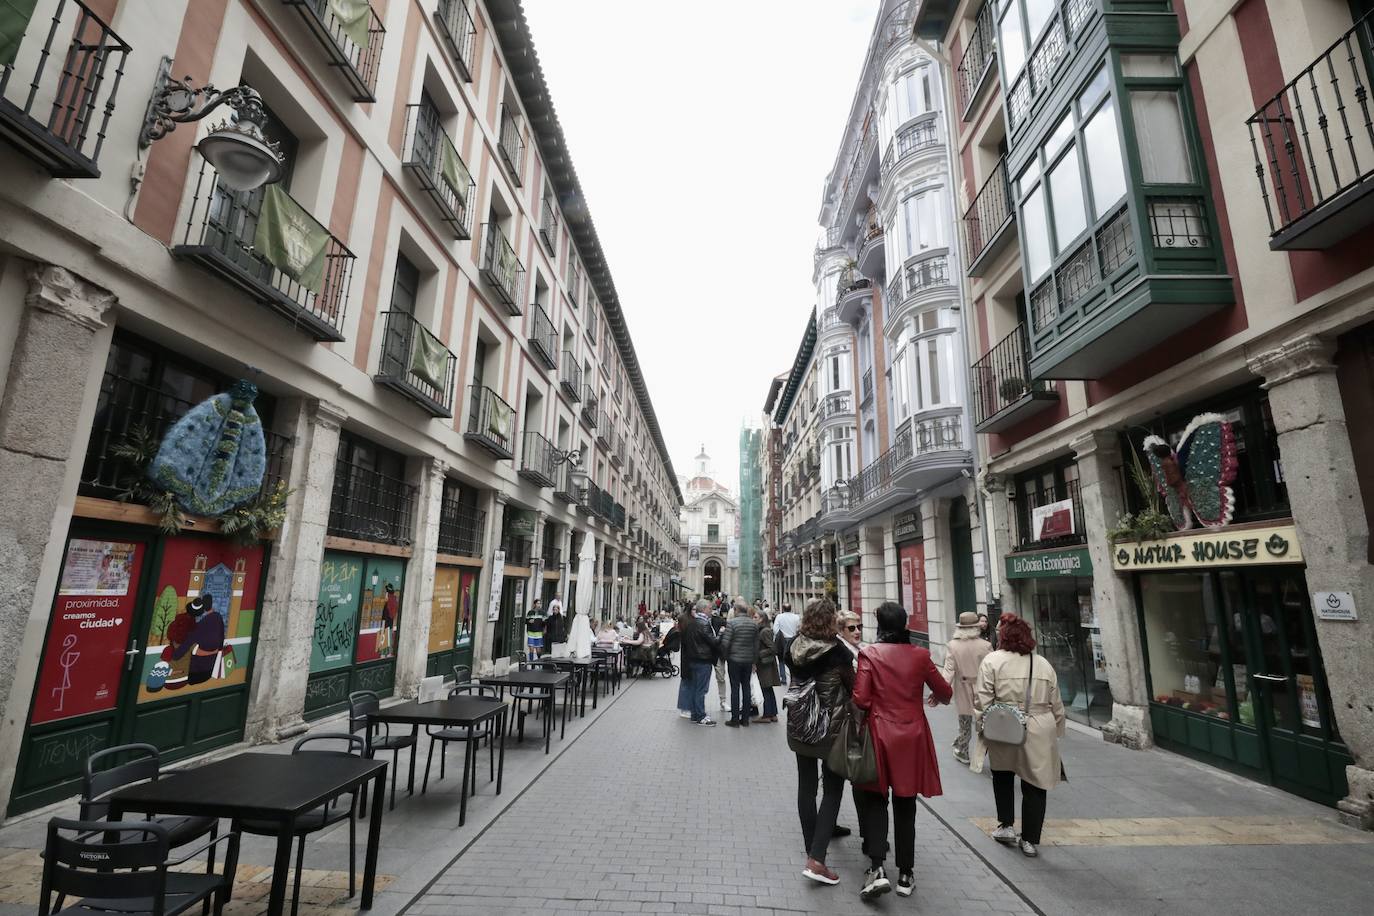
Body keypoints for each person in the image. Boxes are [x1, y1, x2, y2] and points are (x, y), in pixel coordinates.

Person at [852, 602, 953, 900]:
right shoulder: (920, 655)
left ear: (879, 625)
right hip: (912, 735)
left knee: (875, 799)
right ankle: (906, 874)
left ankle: (877, 866)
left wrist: (878, 708)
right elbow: (945, 692)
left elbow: (860, 697)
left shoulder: (869, 654)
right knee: (906, 804)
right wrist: (931, 696)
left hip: (880, 733)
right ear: (905, 624)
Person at [973, 613, 1066, 858]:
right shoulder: (1043, 663)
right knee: (1035, 782)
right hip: (1038, 725)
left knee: (1002, 774)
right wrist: (1056, 730)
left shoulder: (992, 661)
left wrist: (980, 726)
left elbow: (982, 699)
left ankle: (1006, 825)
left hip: (1004, 724)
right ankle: (1030, 839)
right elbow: (1056, 702)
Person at [788, 598, 854, 886]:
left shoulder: (793, 646)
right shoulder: (837, 651)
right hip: (831, 730)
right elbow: (855, 689)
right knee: (832, 790)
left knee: (806, 787)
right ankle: (816, 859)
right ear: (830, 621)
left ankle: (812, 849)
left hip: (801, 726)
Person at [940, 611, 993, 766]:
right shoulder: (986, 646)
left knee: (964, 721)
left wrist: (942, 691)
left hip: (962, 687)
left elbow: (949, 670)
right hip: (982, 687)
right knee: (984, 721)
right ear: (976, 627)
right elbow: (992, 669)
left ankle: (963, 750)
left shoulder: (953, 645)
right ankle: (983, 752)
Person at [719, 601, 760, 727]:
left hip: (734, 660)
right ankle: (746, 719)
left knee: (735, 688)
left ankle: (735, 719)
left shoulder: (731, 623)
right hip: (748, 660)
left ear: (736, 610)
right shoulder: (753, 624)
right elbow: (756, 645)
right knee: (746, 687)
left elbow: (725, 643)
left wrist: (725, 657)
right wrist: (754, 661)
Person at [681, 599, 720, 726]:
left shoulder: (691, 623)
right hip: (703, 661)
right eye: (709, 608)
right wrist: (722, 634)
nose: (711, 610)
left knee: (695, 688)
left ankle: (694, 714)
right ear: (703, 609)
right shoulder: (703, 624)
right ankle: (701, 716)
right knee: (701, 689)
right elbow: (713, 642)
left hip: (692, 660)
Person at [755, 608, 780, 722]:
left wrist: (759, 654)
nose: (753, 619)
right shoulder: (763, 630)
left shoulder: (764, 631)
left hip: (766, 664)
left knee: (765, 688)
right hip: (766, 664)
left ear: (762, 619)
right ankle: (772, 713)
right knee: (768, 689)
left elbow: (773, 648)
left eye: (756, 617)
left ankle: (767, 715)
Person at [773, 603, 801, 685]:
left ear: (783, 609)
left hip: (782, 640)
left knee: (781, 659)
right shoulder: (796, 617)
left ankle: (783, 678)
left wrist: (779, 635)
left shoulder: (779, 617)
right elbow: (799, 628)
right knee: (793, 660)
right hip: (793, 639)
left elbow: (775, 629)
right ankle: (793, 677)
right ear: (791, 608)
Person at [709, 603, 729, 710]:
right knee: (703, 679)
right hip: (705, 654)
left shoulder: (721, 621)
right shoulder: (700, 622)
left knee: (721, 678)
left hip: (718, 653)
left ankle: (723, 701)